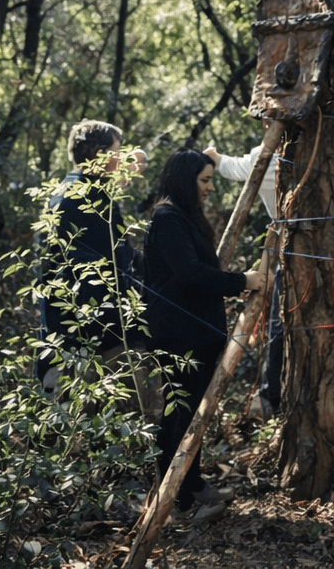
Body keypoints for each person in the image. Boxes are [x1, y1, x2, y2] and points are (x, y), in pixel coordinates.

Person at [143, 150, 268, 520]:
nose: (211, 188)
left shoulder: (185, 217)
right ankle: (176, 503)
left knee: (194, 411)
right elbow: (191, 274)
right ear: (185, 181)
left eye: (212, 179)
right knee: (179, 415)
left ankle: (192, 484)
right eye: (205, 181)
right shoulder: (167, 219)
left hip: (197, 334)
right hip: (177, 338)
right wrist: (241, 281)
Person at [36, 119, 152, 407]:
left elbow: (121, 250)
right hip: (95, 335)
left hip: (86, 333)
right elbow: (99, 268)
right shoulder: (83, 197)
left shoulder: (84, 189)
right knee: (122, 417)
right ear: (101, 155)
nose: (122, 158)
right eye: (117, 151)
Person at [205, 141, 283, 417]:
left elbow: (237, 168)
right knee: (280, 328)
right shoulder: (272, 157)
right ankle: (271, 399)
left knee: (280, 327)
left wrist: (215, 158)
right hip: (296, 252)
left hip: (295, 252)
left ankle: (271, 398)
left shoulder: (269, 157)